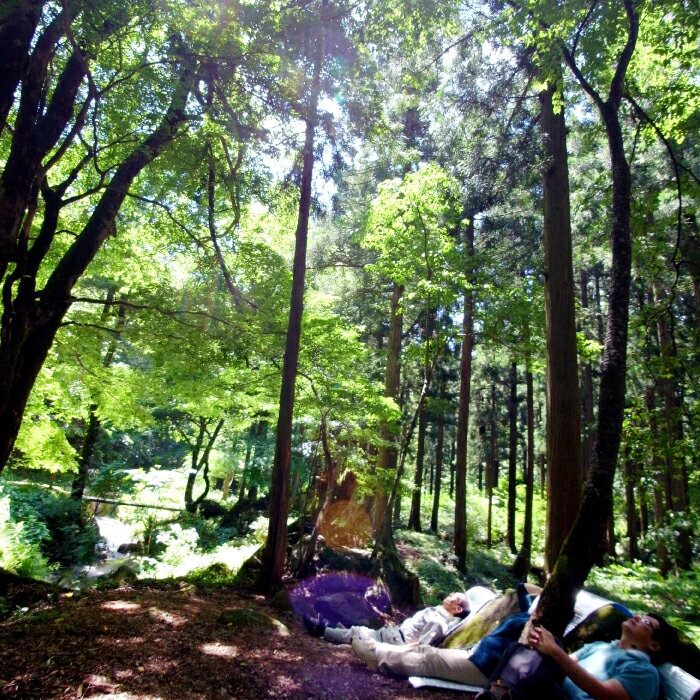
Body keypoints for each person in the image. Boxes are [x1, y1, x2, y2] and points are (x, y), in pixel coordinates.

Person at [350, 583, 540, 685]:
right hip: (474, 654)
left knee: (430, 662)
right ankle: (376, 648)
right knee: (426, 651)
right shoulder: (529, 613)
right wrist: (549, 591)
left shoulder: (541, 626)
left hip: (485, 669)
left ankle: (378, 657)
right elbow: (523, 587)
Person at [475, 612, 679, 700]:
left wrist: (554, 650)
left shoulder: (644, 672)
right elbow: (565, 665)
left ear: (654, 644)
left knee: (542, 651)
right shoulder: (600, 646)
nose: (637, 617)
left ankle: (496, 695)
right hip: (553, 693)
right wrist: (546, 647)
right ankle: (496, 695)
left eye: (646, 622)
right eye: (641, 615)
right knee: (521, 651)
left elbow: (605, 694)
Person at [307, 591, 471, 645]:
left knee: (357, 633)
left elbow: (421, 648)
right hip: (394, 634)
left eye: (453, 597)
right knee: (361, 631)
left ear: (457, 609)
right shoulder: (437, 613)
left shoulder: (438, 622)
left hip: (396, 641)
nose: (449, 596)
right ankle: (331, 626)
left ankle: (320, 629)